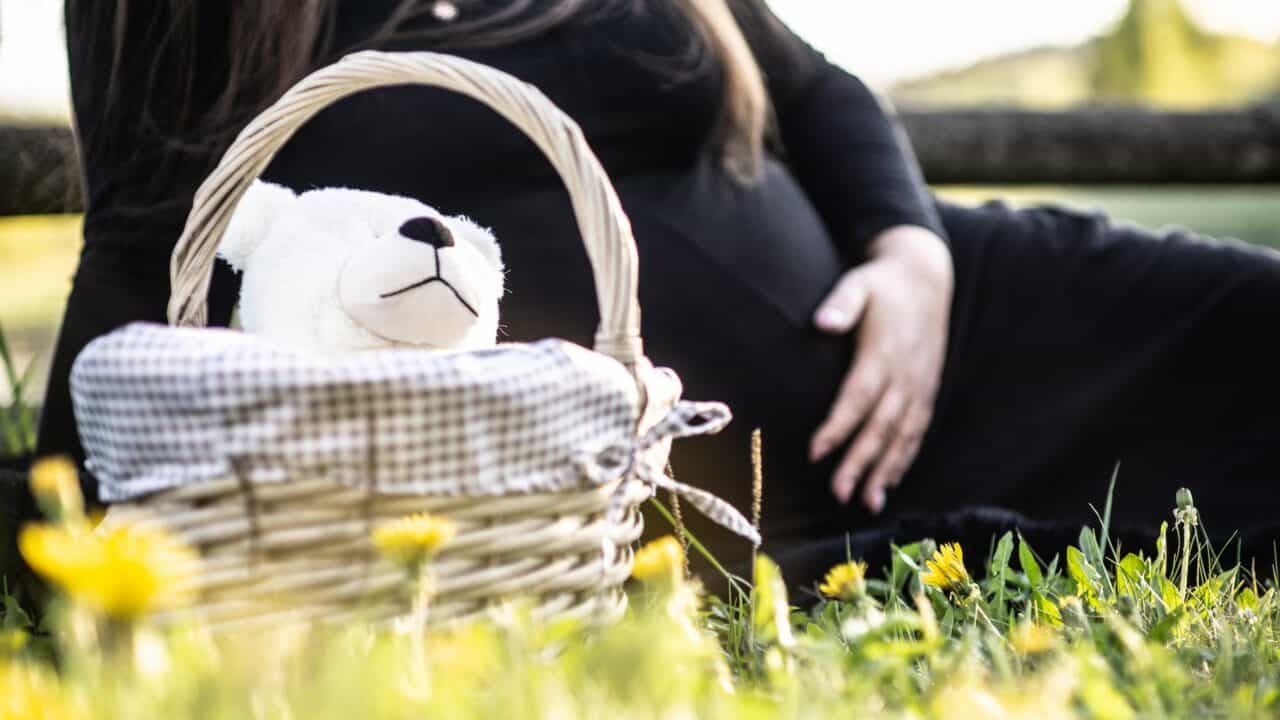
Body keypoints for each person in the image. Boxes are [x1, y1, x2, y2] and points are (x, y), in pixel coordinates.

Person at [42, 0, 1280, 584]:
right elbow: (148, 234)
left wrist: (911, 256)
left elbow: (818, 91)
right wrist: (83, 507)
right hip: (618, 485)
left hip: (934, 325)